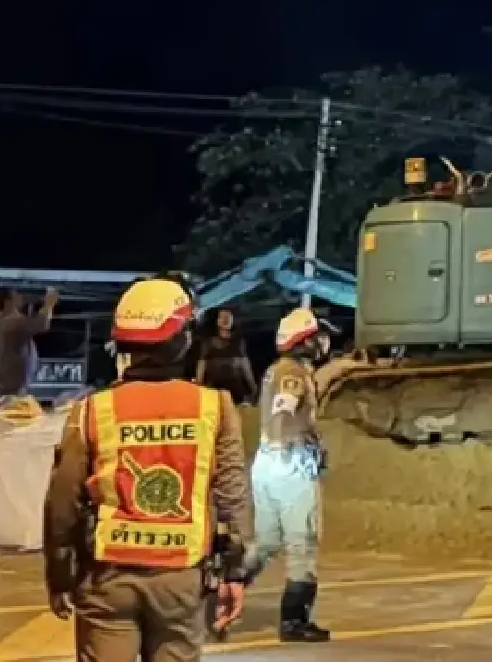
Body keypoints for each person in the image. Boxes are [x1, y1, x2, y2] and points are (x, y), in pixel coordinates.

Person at [42, 277, 252, 661]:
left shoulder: (92, 410)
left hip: (107, 581)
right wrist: (235, 572)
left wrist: (59, 575)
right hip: (181, 582)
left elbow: (63, 503)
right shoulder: (216, 407)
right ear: (183, 339)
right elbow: (232, 497)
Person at [243, 307, 334, 642]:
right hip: (289, 465)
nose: (324, 343)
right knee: (303, 543)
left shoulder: (276, 369)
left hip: (267, 463)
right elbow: (284, 413)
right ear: (305, 340)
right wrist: (303, 447)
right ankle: (294, 621)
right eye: (318, 337)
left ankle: (226, 585)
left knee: (266, 542)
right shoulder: (292, 373)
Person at [0, 286, 59, 397]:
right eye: (16, 295)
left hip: (11, 381)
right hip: (12, 383)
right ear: (8, 301)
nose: (20, 297)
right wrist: (49, 304)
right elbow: (41, 324)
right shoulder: (10, 321)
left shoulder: (5, 319)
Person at [193, 309, 257, 407]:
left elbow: (245, 366)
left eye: (228, 317)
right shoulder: (208, 343)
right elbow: (201, 365)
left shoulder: (238, 342)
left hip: (235, 388)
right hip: (215, 386)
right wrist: (198, 385)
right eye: (222, 317)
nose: (226, 319)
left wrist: (253, 387)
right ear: (217, 321)